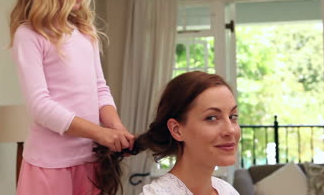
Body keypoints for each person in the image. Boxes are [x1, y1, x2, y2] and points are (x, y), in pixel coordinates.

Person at [9, 0, 134, 195]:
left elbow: (100, 89)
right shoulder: (29, 34)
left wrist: (116, 127)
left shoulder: (86, 33)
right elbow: (40, 106)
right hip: (50, 165)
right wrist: (99, 134)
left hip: (89, 161)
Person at [94, 71, 240, 195]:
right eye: (212, 118)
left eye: (233, 116)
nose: (231, 130)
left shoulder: (227, 191)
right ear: (177, 130)